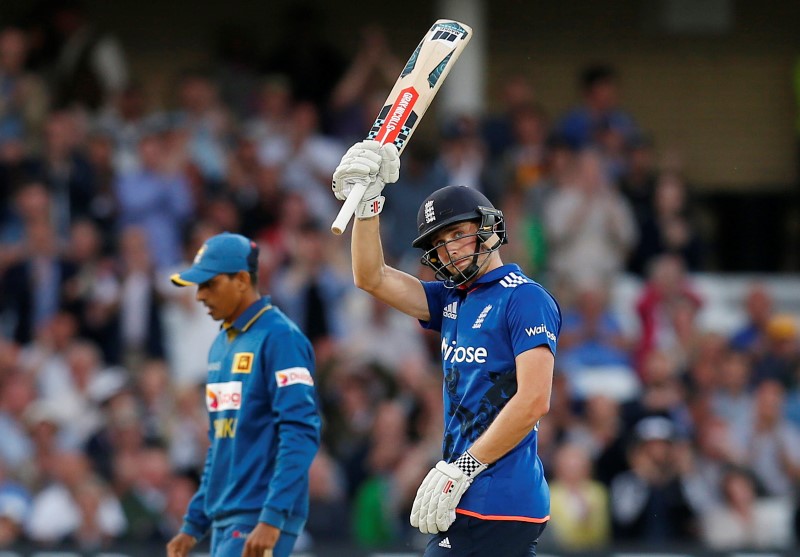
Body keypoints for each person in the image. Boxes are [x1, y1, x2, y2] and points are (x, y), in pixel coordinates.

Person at [331, 141, 561, 556]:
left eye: (458, 233)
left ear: (488, 228)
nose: (450, 248)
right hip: (478, 496)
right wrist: (367, 206)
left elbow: (534, 400)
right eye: (441, 241)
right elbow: (371, 277)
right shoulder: (452, 299)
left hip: (495, 495)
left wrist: (463, 468)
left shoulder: (524, 298)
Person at [165, 232, 321, 557]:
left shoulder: (281, 338)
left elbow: (301, 432)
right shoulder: (220, 345)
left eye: (209, 284)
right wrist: (193, 524)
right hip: (228, 519)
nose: (199, 296)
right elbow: (220, 442)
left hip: (258, 518)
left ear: (240, 280)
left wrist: (272, 516)